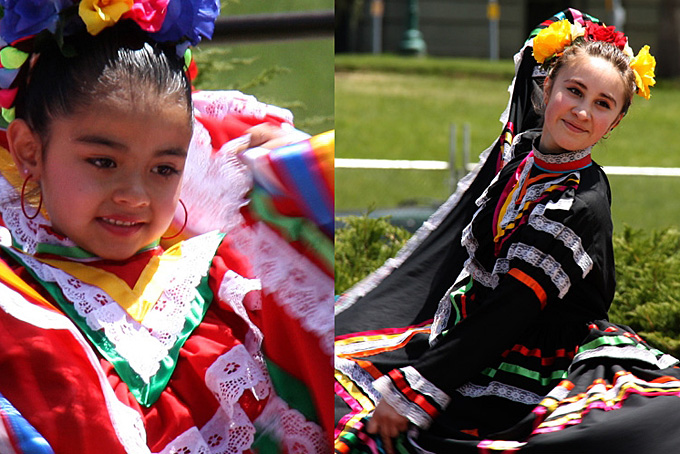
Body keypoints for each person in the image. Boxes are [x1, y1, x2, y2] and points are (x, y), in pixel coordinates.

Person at [0, 1, 333, 453]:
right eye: (103, 162)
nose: (134, 196)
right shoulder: (15, 302)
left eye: (163, 169)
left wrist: (300, 179)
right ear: (29, 151)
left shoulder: (226, 279)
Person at [335, 9, 662, 453]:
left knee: (371, 437)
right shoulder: (524, 161)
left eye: (603, 103)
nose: (583, 111)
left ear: (615, 121)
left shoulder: (578, 203)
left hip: (533, 363)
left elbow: (512, 309)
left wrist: (417, 393)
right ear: (546, 88)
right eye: (574, 90)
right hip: (473, 336)